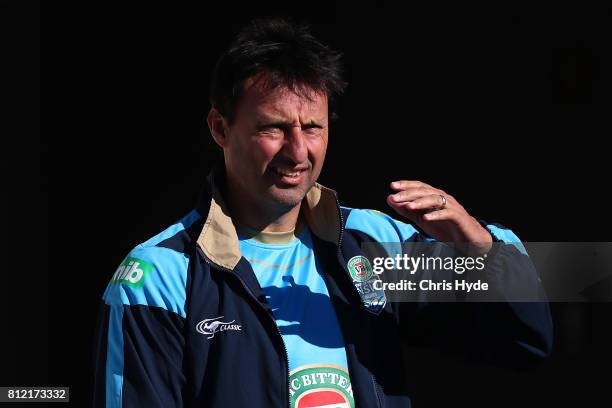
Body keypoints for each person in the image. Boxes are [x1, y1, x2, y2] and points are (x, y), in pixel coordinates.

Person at [93, 17, 552, 408]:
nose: (298, 151)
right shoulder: (158, 276)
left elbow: (524, 340)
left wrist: (479, 247)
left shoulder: (373, 244)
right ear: (220, 128)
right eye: (273, 128)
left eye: (313, 127)